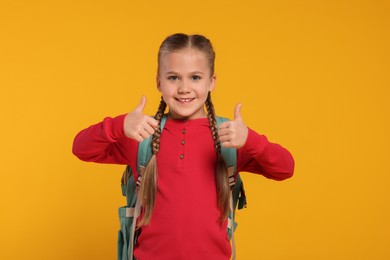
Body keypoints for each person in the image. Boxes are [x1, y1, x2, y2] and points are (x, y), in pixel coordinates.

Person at [72, 33, 294, 260]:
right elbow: (81, 148)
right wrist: (118, 126)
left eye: (195, 77)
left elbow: (285, 168)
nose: (184, 88)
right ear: (159, 82)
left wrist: (251, 140)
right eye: (173, 78)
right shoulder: (143, 132)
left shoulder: (230, 137)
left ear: (212, 81)